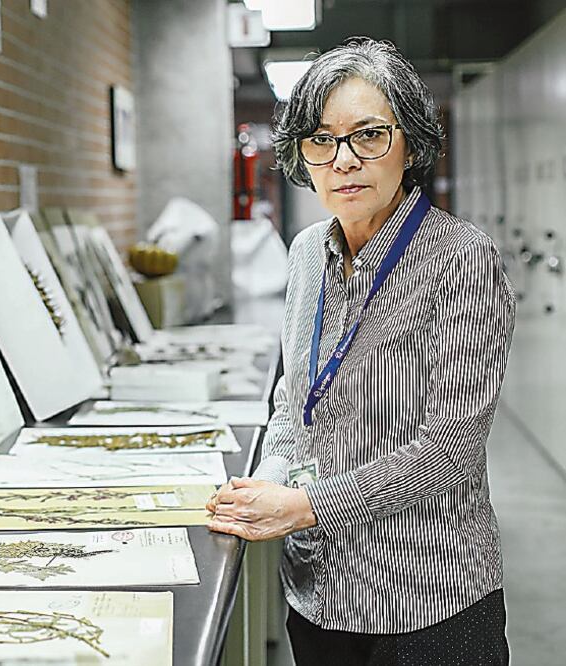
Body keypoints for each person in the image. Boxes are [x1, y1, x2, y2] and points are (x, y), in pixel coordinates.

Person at [207, 38, 515, 665]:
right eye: (321, 139)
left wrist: (304, 506)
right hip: (319, 594)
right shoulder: (304, 255)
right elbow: (294, 405)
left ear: (411, 144)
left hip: (429, 601)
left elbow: (450, 451)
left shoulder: (462, 259)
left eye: (369, 135)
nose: (344, 159)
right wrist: (260, 488)